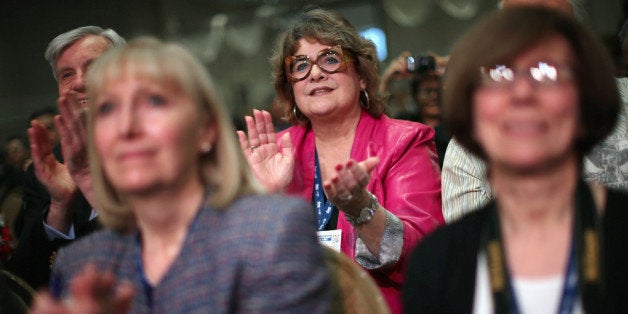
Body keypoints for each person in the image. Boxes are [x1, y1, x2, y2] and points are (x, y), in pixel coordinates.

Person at [29, 37, 331, 313]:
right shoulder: (79, 262)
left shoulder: (271, 231)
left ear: (206, 128)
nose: (127, 126)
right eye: (108, 109)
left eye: (154, 102)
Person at [404, 7, 628, 313]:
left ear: (585, 99)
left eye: (546, 71)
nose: (522, 92)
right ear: (471, 108)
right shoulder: (435, 263)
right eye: (499, 72)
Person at [237, 8, 443, 313]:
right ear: (291, 88)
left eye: (331, 59)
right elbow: (246, 269)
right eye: (301, 66)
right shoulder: (276, 152)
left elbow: (428, 256)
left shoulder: (404, 141)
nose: (316, 74)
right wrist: (268, 199)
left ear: (361, 77)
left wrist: (363, 211)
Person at [440, 0, 628, 222]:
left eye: (555, 27)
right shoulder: (471, 141)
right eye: (519, 26)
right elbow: (466, 246)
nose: (535, 39)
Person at [9, 26, 126, 289]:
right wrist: (60, 208)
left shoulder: (162, 152)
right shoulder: (47, 169)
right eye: (67, 74)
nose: (79, 82)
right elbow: (22, 281)